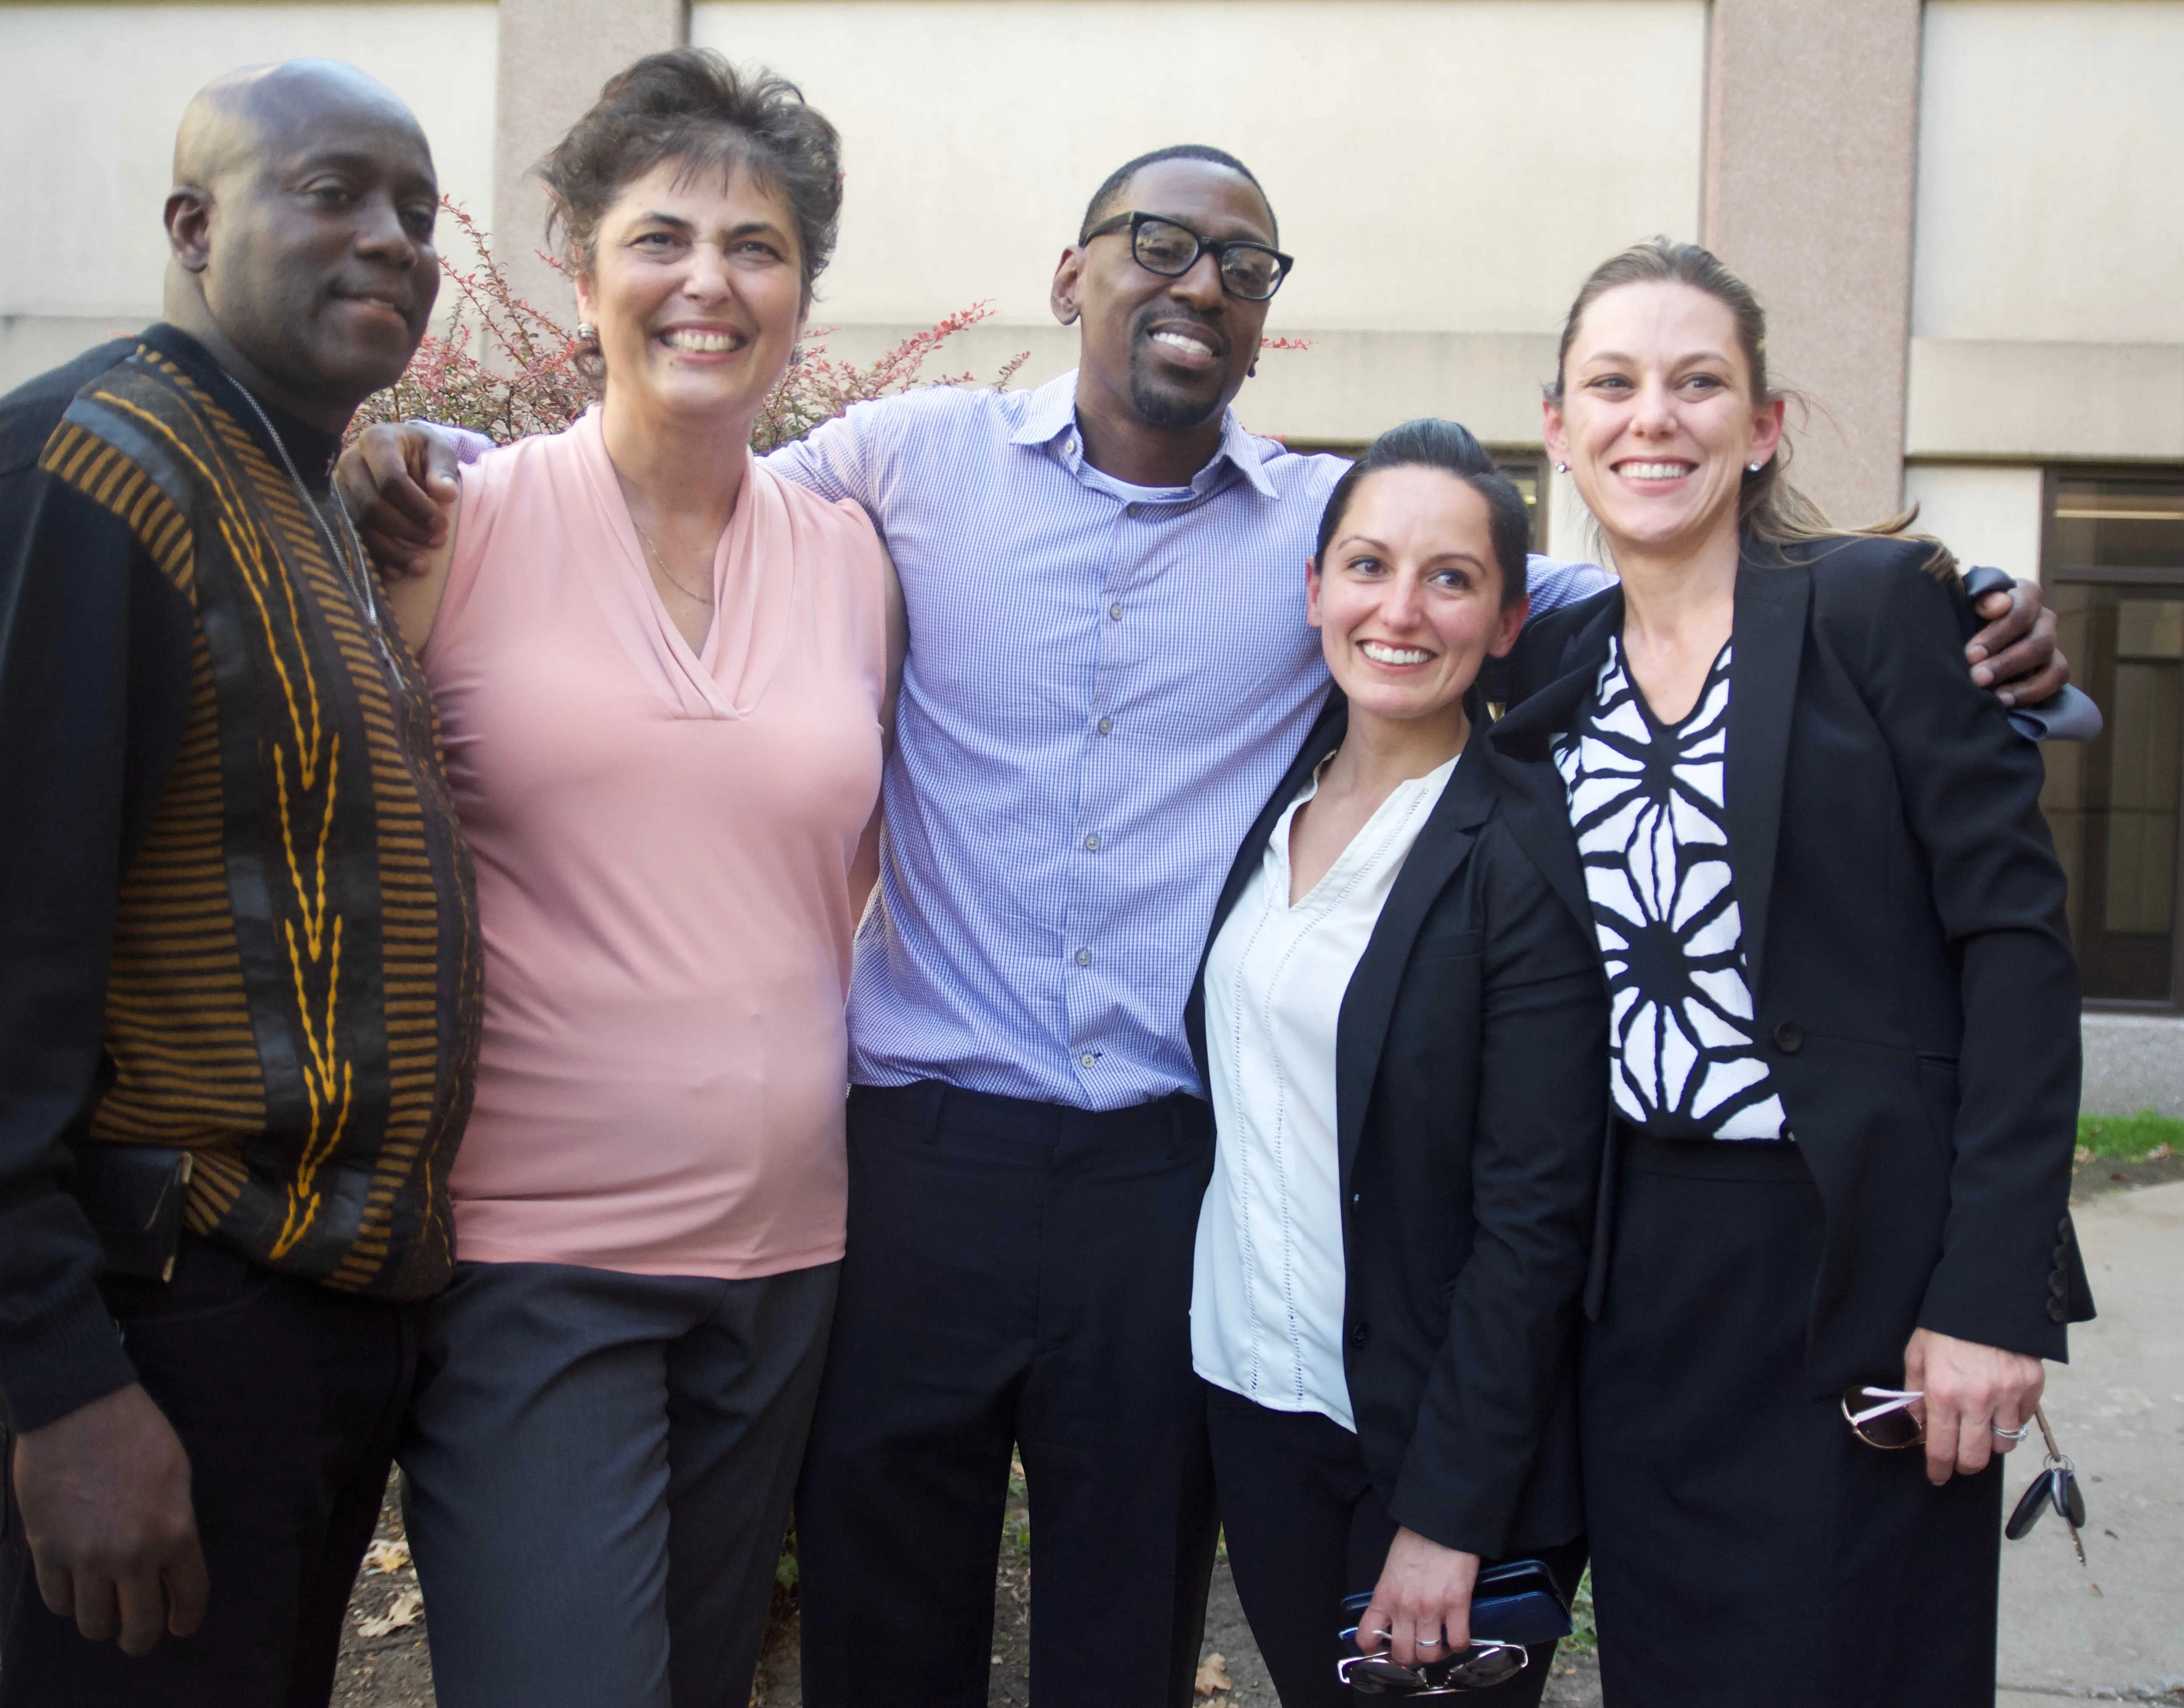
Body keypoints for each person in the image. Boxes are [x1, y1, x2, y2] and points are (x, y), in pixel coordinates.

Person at [338, 147, 2070, 1707]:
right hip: (917, 1164)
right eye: (1157, 243)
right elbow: (683, 471)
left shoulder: (1320, 537)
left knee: (1120, 1635)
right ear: (1072, 276)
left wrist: (1979, 618)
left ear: (1266, 331)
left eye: (1245, 266)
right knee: (885, 1622)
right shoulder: (912, 462)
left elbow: (1587, 581)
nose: (1199, 282)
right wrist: (435, 470)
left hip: (1159, 1190)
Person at [0, 61, 479, 1707]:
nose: (393, 238)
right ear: (193, 226)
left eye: (417, 210)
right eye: (332, 193)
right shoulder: (79, 472)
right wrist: (60, 1383)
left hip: (328, 1330)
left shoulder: (295, 487)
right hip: (166, 1330)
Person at [1489, 238, 2096, 1708]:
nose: (1656, 417)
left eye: (1700, 383)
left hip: (1860, 1275)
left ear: (1762, 428)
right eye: (1614, 385)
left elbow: (2016, 952)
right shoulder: (1549, 666)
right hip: (1638, 1284)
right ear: (1560, 432)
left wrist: (1993, 1292)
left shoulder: (1878, 611)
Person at [372, 51, 901, 1708]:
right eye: (661, 234)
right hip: (535, 1256)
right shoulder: (450, 525)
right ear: (581, 264)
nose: (709, 281)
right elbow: (342, 849)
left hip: (790, 1257)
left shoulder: (857, 560)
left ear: (801, 297)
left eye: (758, 246)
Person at [1188, 420, 1605, 1707]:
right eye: (1368, 566)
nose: (1401, 611)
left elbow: (1537, 1215)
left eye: (1452, 578)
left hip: (1420, 1447)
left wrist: (1450, 1512)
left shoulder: (1522, 848)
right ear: (1315, 591)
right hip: (1251, 1398)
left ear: (1506, 619)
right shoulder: (1275, 803)